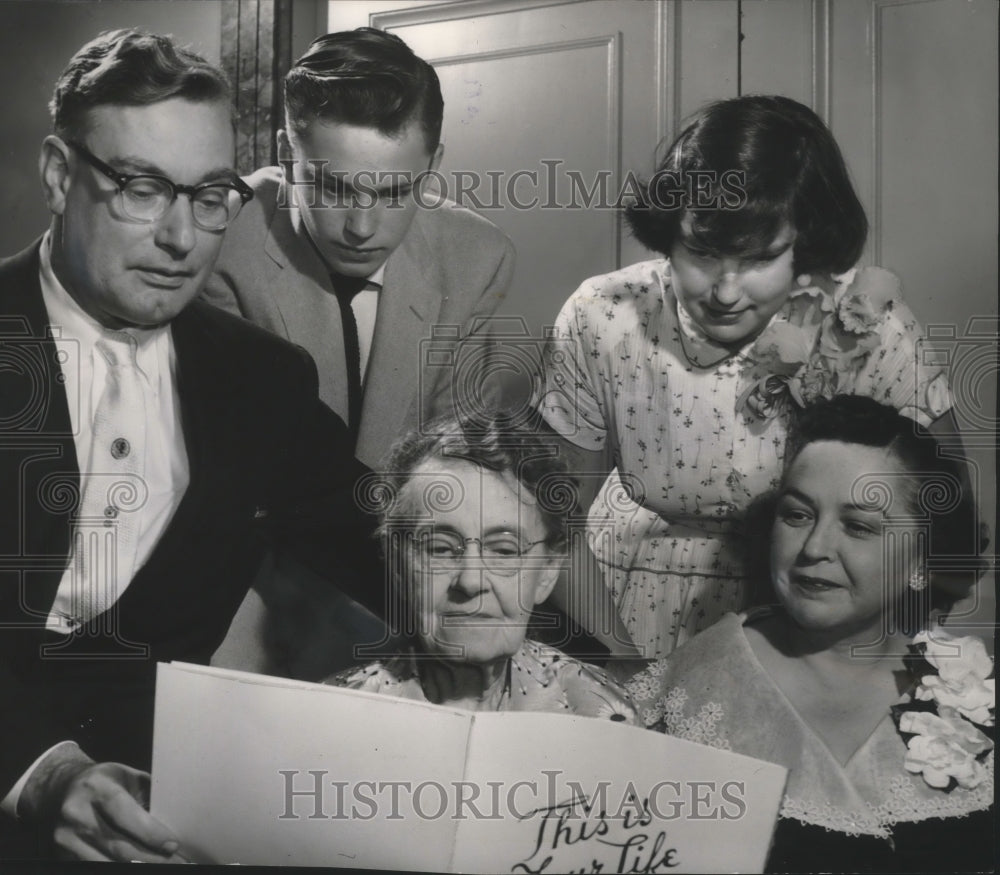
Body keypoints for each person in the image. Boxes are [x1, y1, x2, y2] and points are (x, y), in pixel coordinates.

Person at [0, 29, 379, 862]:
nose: (183, 238)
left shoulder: (263, 379)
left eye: (211, 196)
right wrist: (40, 767)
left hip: (166, 824)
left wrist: (622, 684)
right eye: (142, 188)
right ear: (61, 176)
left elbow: (391, 542)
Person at [537, 95, 951, 660]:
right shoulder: (601, 312)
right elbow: (551, 515)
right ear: (669, 232)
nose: (726, 292)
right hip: (616, 607)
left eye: (759, 258)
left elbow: (943, 523)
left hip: (818, 620)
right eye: (702, 252)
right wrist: (623, 664)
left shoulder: (870, 326)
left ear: (805, 241)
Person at [625, 395, 993, 873]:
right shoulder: (680, 698)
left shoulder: (973, 690)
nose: (814, 547)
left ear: (922, 563)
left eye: (858, 526)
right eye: (797, 515)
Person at [202, 27, 515, 468]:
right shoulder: (220, 239)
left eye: (394, 193)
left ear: (433, 168)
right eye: (334, 189)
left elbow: (461, 458)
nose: (362, 229)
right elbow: (227, 458)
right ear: (287, 160)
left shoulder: (479, 258)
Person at [327, 413, 636, 721]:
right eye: (440, 549)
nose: (471, 581)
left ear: (547, 571)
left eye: (503, 550)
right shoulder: (333, 716)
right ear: (397, 564)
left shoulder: (601, 711)